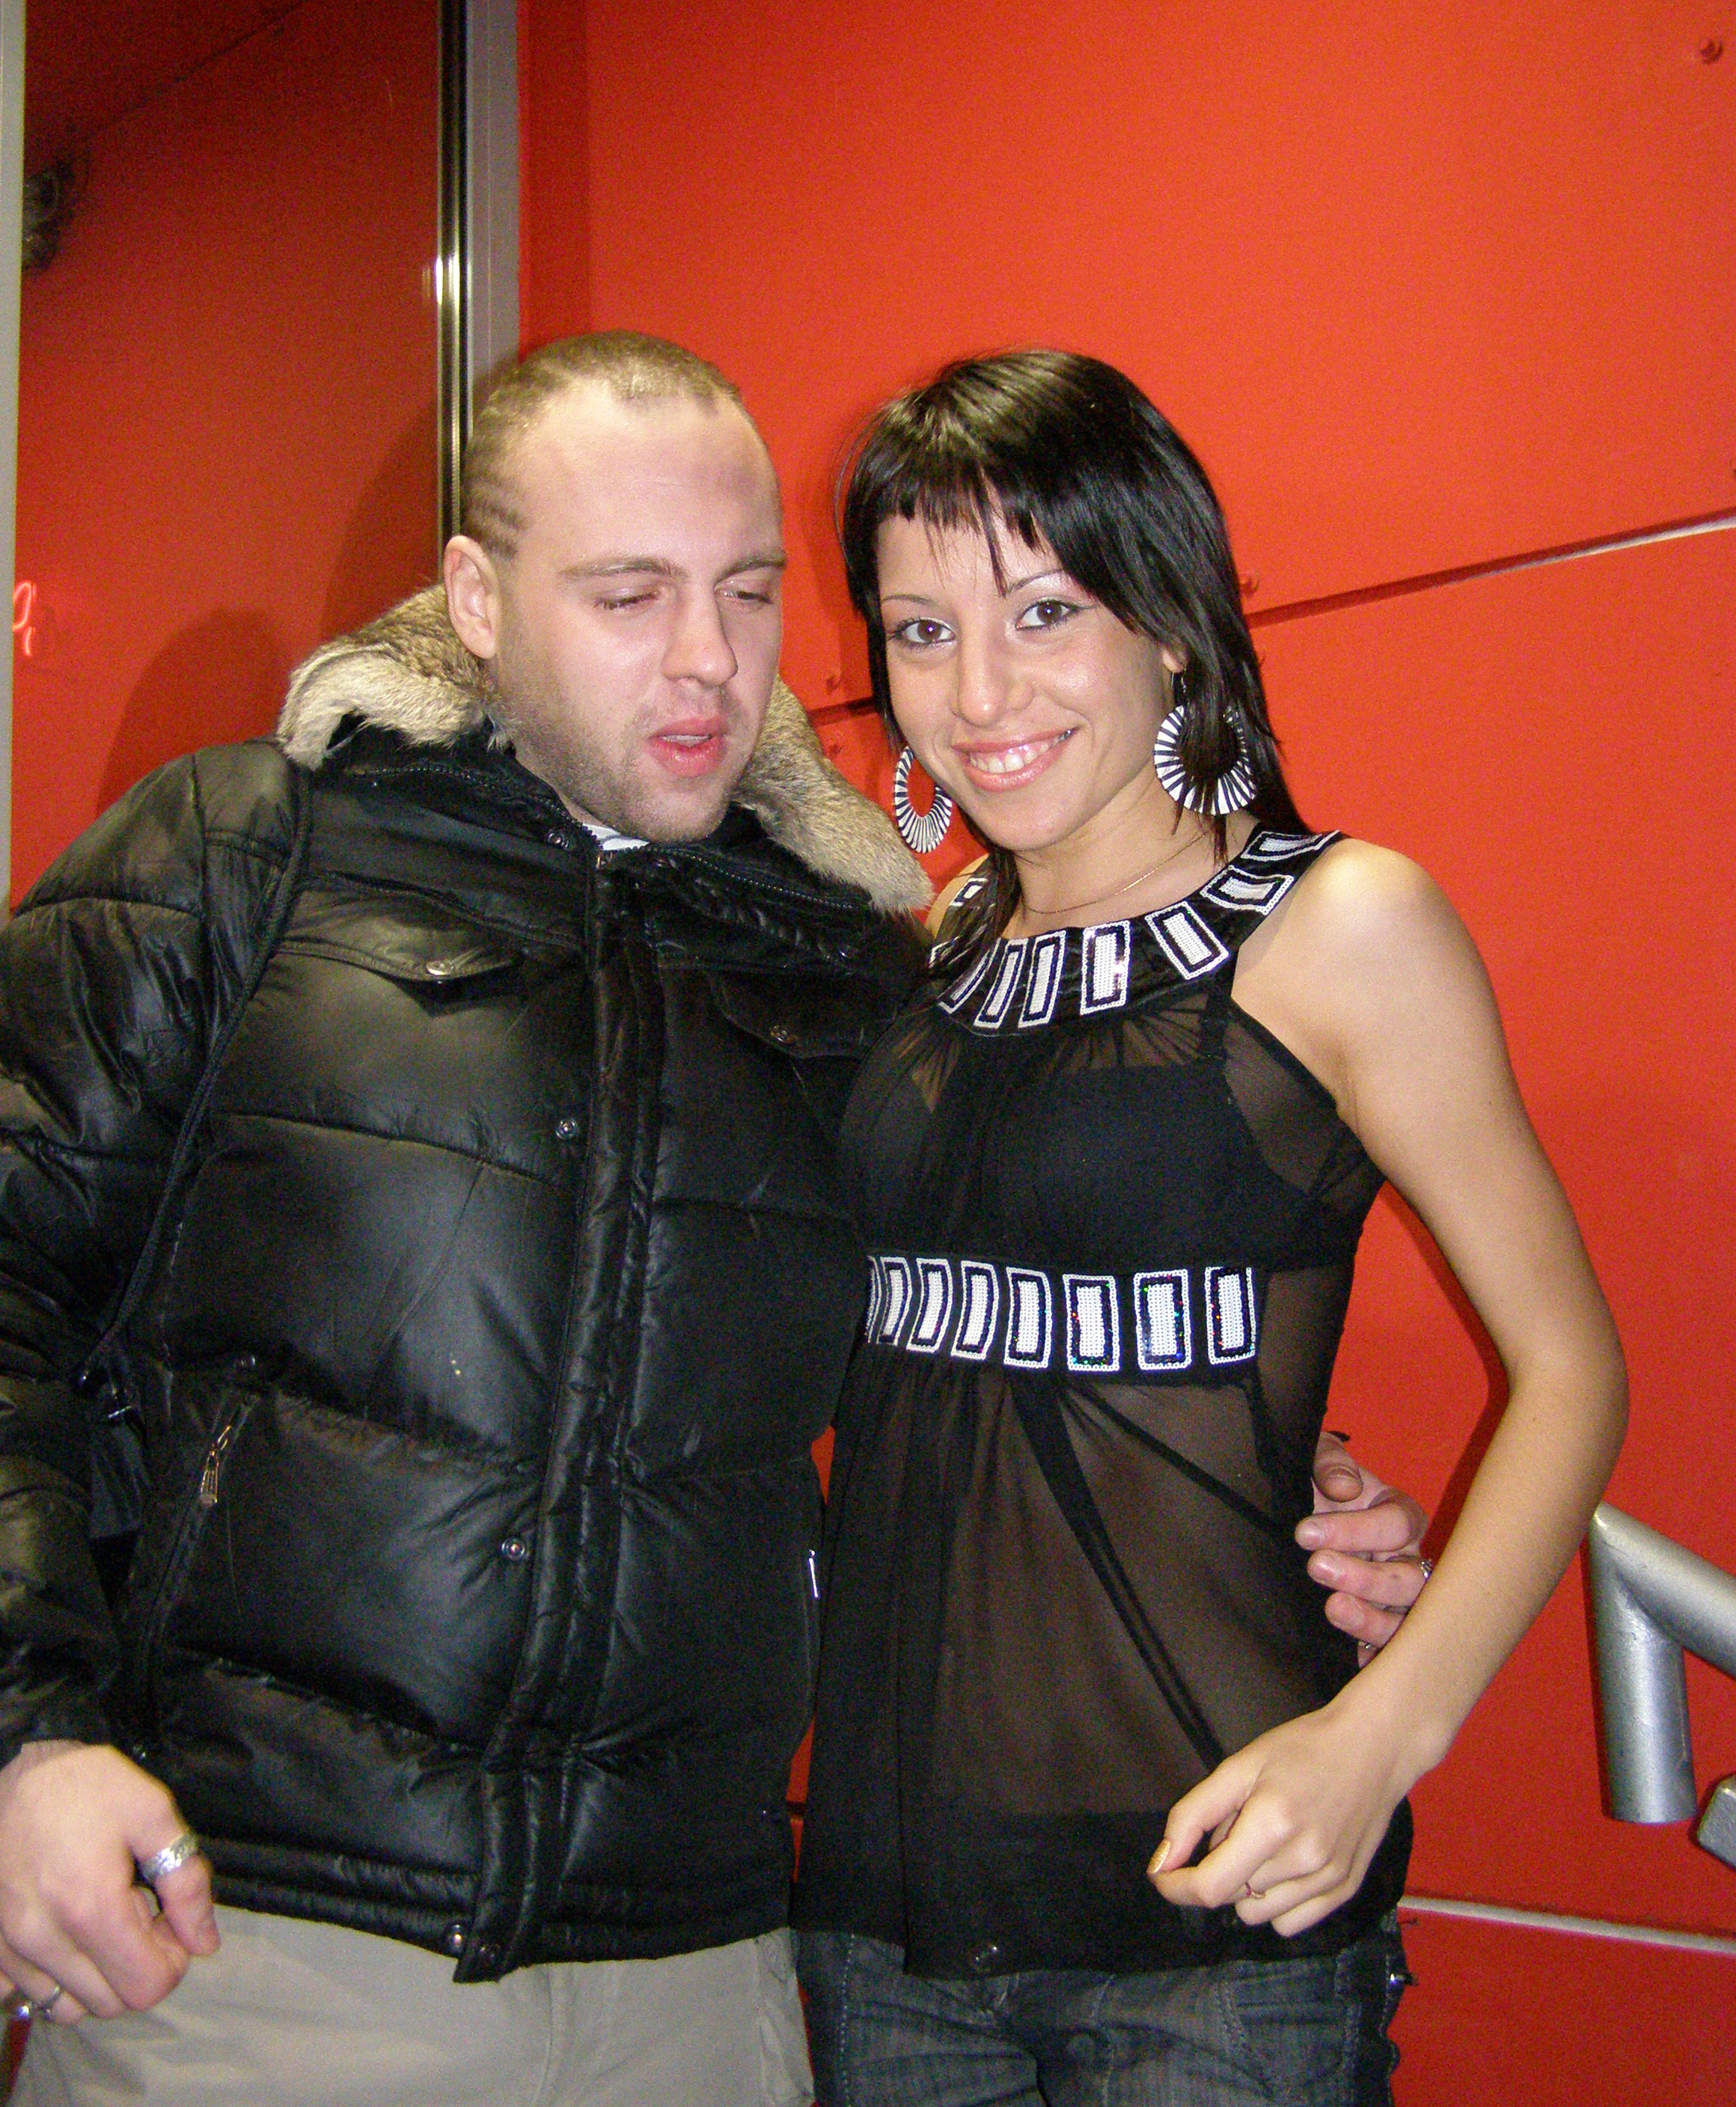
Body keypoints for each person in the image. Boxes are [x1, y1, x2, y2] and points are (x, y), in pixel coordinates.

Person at [0, 332, 1421, 2107]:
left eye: (748, 594)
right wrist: (22, 1742)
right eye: (629, 594)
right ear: (477, 600)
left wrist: (1273, 1471)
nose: (707, 660)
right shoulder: (242, 856)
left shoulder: (856, 972)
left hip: (708, 1975)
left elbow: (999, 1306)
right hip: (265, 1942)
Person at [791, 350, 1628, 2106]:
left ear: (1171, 623)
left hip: (1215, 1906)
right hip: (885, 1910)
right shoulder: (925, 957)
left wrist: (1380, 1740)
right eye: (923, 630)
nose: (979, 691)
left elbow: (1572, 1370)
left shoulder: (1341, 930)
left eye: (1045, 611)